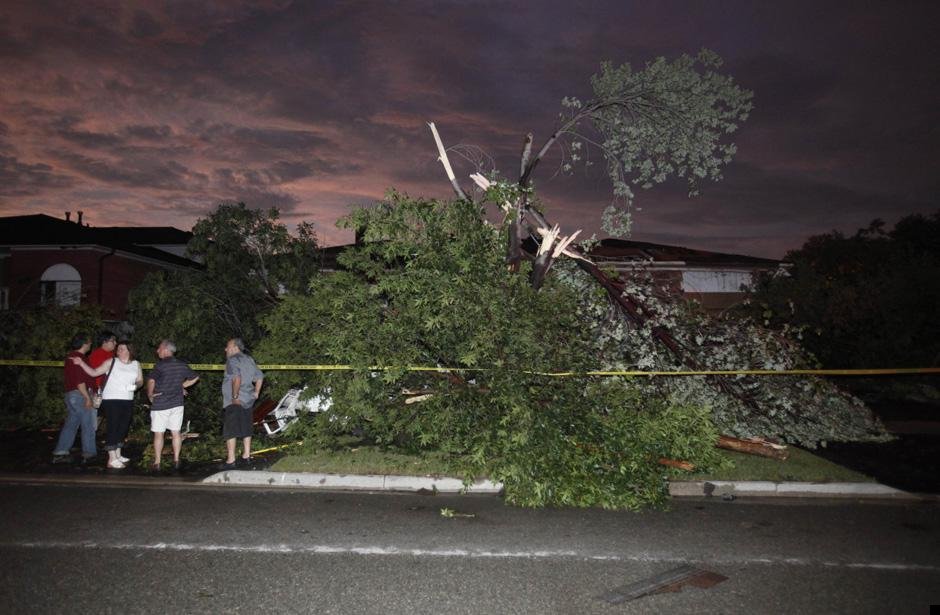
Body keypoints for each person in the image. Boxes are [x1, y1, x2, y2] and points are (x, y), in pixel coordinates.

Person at [72, 341, 143, 469]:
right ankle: (111, 458)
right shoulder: (111, 362)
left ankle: (118, 454)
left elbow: (140, 380)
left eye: (122, 348)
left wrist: (135, 386)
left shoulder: (135, 364)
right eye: (118, 349)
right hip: (111, 399)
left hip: (127, 399)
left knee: (123, 427)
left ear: (129, 350)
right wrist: (81, 363)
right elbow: (94, 372)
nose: (119, 350)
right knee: (113, 426)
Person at [146, 340, 199, 471]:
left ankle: (157, 462)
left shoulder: (160, 365)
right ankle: (176, 460)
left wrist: (150, 395)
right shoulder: (181, 364)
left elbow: (151, 380)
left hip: (161, 404)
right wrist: (181, 386)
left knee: (159, 434)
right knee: (176, 433)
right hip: (177, 404)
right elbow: (195, 377)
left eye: (159, 348)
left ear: (165, 349)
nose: (157, 351)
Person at [52, 333, 97, 464]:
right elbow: (79, 380)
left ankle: (61, 451)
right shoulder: (77, 358)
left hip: (72, 395)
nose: (90, 344)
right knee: (87, 425)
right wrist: (87, 397)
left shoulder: (73, 357)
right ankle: (89, 453)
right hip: (79, 395)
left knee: (71, 424)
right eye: (89, 342)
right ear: (84, 343)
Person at [220, 338, 263, 470]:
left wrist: (234, 396)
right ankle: (246, 455)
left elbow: (236, 378)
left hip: (234, 401)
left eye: (228, 347)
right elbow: (260, 376)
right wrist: (256, 392)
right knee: (246, 428)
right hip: (248, 400)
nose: (225, 349)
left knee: (231, 430)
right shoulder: (249, 359)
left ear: (234, 348)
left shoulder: (232, 360)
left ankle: (231, 460)